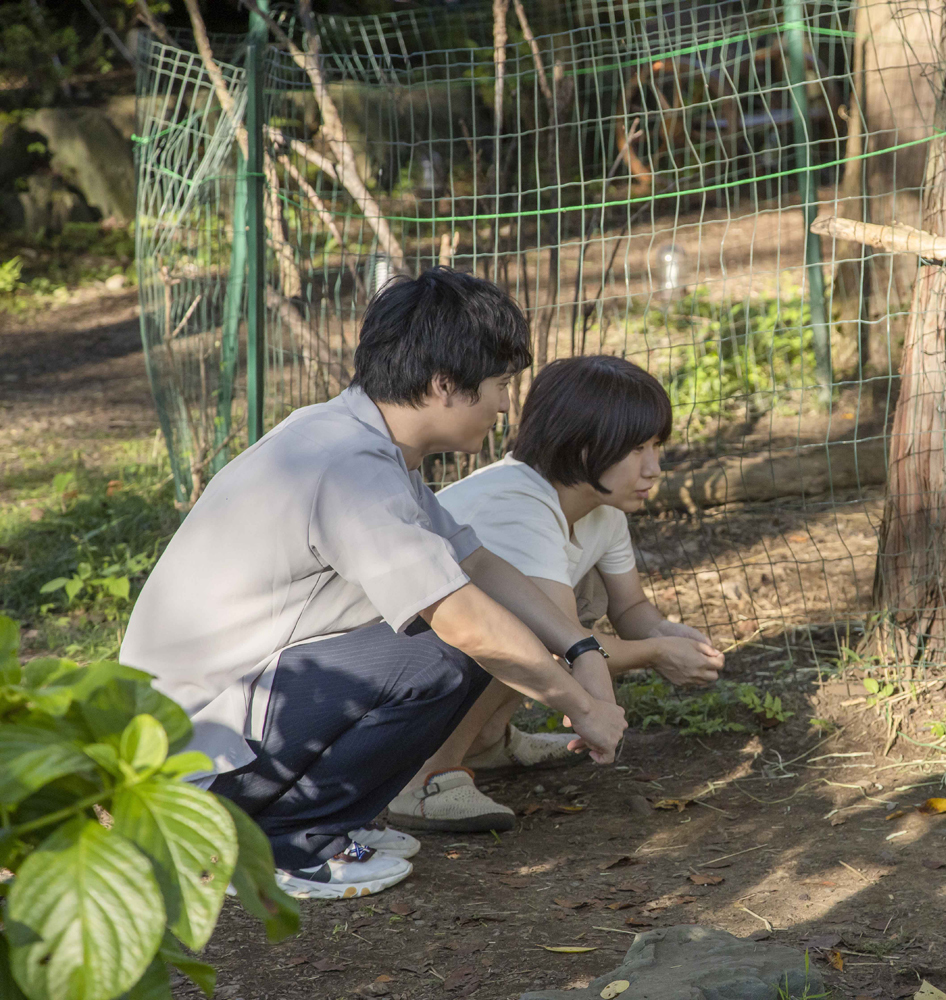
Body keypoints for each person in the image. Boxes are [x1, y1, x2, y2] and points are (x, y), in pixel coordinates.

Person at [120, 269, 626, 900]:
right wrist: (583, 708)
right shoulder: (349, 465)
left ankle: (306, 820)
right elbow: (465, 617)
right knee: (446, 651)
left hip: (223, 718)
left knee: (453, 639)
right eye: (500, 385)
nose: (505, 404)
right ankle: (288, 841)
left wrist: (583, 651)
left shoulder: (366, 442)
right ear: (444, 385)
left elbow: (476, 564)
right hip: (193, 757)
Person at [435, 355, 723, 774]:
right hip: (396, 665)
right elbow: (558, 648)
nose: (654, 468)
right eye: (636, 449)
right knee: (520, 630)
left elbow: (629, 609)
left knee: (579, 600)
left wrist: (666, 634)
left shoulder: (602, 508)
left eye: (655, 447)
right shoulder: (516, 505)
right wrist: (658, 653)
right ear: (581, 443)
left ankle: (483, 742)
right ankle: (431, 772)